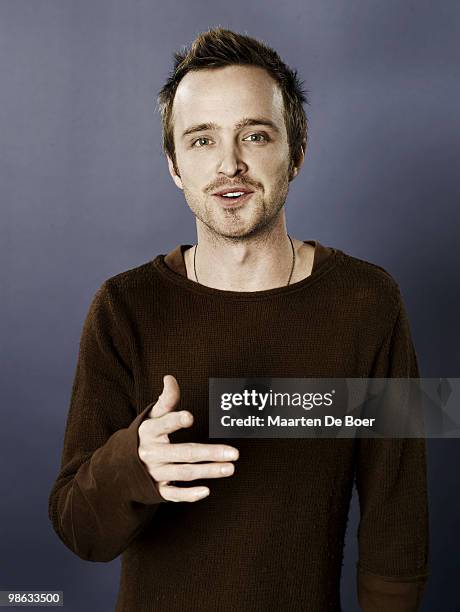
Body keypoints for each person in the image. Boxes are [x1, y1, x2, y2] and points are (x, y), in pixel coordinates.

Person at [48, 27, 429, 612]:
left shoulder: (369, 299)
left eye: (255, 134)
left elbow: (397, 518)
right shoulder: (123, 306)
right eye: (201, 140)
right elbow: (78, 531)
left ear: (296, 152)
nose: (230, 163)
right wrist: (133, 464)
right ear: (175, 166)